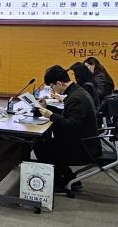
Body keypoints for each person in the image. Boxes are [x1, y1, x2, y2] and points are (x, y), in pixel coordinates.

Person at [33, 65, 100, 193]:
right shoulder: (77, 91)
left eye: (52, 86)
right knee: (45, 143)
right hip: (85, 140)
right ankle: (70, 179)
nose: (52, 89)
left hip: (84, 147)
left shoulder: (76, 97)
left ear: (59, 83)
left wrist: (51, 116)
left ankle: (59, 182)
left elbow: (72, 125)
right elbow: (68, 114)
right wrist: (48, 108)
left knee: (41, 146)